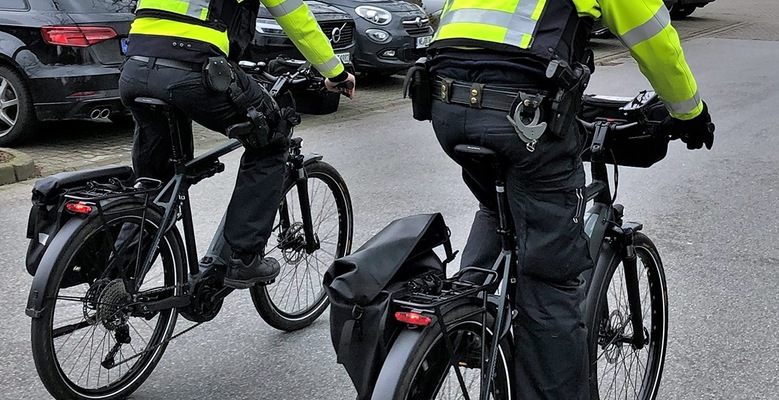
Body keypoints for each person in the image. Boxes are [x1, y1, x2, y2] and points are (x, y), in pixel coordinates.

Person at [421, 0, 715, 398]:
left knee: (496, 206)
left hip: (444, 105)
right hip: (523, 117)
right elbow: (653, 36)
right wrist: (690, 112)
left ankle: (463, 320)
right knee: (550, 280)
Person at [119, 0, 356, 289]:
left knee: (157, 180)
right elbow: (298, 21)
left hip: (136, 66)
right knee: (271, 138)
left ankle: (118, 276)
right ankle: (243, 259)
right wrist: (336, 73)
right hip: (193, 68)